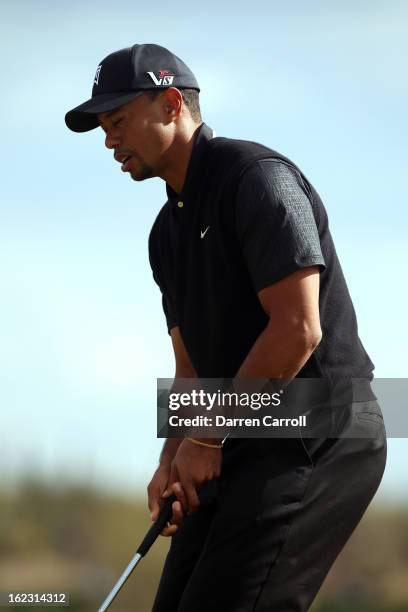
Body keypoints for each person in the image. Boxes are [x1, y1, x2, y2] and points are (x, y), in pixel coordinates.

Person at [65, 43, 387, 612]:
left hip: (322, 427)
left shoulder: (256, 178)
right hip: (245, 431)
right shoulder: (166, 233)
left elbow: (298, 330)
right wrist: (172, 457)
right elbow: (191, 370)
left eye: (116, 121)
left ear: (170, 104)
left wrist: (207, 437)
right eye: (102, 129)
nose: (109, 140)